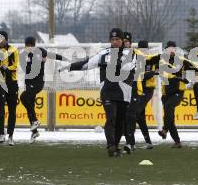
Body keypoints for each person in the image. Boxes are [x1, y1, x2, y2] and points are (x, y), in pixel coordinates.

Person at [61, 28, 135, 157]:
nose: (115, 41)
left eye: (117, 39)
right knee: (111, 118)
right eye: (112, 39)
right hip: (107, 90)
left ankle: (115, 147)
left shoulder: (132, 54)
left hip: (124, 92)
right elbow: (86, 64)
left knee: (119, 122)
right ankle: (111, 145)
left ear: (123, 40)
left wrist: (112, 62)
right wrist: (69, 66)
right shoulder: (103, 53)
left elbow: (127, 67)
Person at [19, 36, 65, 143]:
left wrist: (67, 59)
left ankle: (35, 121)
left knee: (23, 97)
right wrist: (40, 61)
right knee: (29, 105)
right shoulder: (23, 55)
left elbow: (54, 56)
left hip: (38, 83)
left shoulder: (41, 51)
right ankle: (34, 131)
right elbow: (27, 69)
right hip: (28, 83)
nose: (29, 47)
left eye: (31, 45)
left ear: (34, 45)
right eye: (27, 46)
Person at [125, 40, 160, 151]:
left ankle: (130, 143)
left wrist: (153, 73)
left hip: (147, 91)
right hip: (139, 90)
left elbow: (145, 76)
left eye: (144, 49)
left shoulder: (149, 60)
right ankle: (148, 142)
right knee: (140, 117)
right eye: (141, 49)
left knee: (133, 114)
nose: (143, 51)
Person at [0, 31, 19, 146]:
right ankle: (1, 133)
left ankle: (10, 136)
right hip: (0, 84)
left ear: (5, 39)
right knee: (0, 110)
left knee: (12, 111)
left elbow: (15, 66)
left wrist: (5, 68)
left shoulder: (13, 50)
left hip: (12, 83)